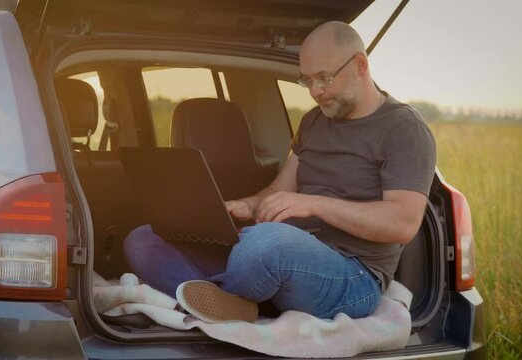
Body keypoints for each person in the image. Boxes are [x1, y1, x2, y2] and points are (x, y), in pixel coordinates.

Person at [123, 21, 436, 323]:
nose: (315, 91)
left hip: (353, 276)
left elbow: (403, 223)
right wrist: (248, 205)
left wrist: (315, 204)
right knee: (144, 239)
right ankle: (224, 302)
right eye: (307, 80)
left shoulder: (404, 128)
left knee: (264, 243)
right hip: (279, 255)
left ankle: (212, 297)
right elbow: (275, 192)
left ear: (360, 65)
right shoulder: (314, 122)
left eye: (324, 78)